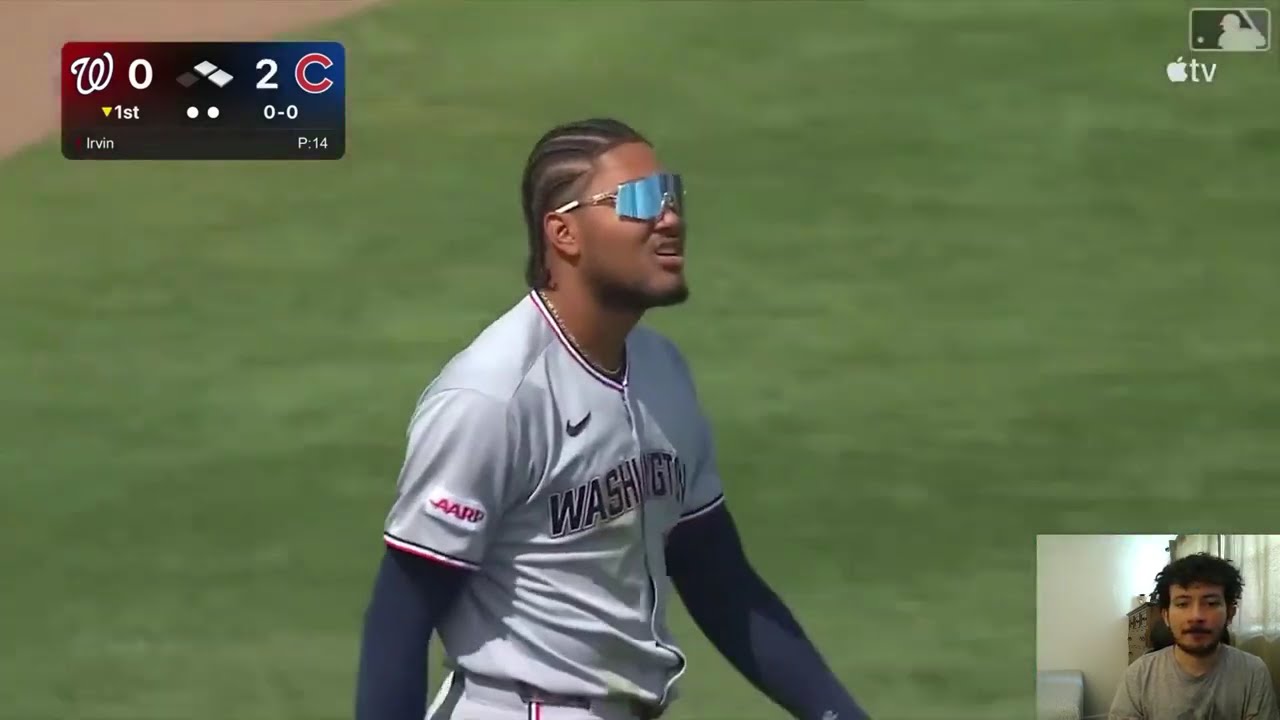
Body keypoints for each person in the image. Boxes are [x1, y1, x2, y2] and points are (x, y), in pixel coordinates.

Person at [353, 118, 870, 720]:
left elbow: (720, 580)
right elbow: (400, 616)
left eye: (671, 194)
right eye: (640, 201)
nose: (669, 218)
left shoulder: (661, 372)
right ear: (564, 232)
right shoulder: (493, 397)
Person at [1109, 552, 1280, 720]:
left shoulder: (1253, 672)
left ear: (1230, 613)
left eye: (1211, 603)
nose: (1196, 616)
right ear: (1166, 616)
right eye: (1182, 604)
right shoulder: (1138, 675)